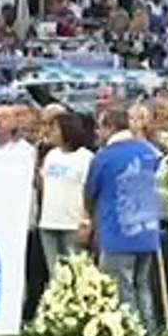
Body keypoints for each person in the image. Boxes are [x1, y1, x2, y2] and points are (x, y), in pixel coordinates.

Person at [84, 106, 164, 336]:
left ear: (110, 127)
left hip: (117, 230)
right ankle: (149, 330)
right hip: (148, 228)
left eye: (100, 126)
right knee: (142, 283)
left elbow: (90, 192)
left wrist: (91, 218)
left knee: (121, 284)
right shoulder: (148, 151)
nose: (98, 132)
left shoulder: (104, 157)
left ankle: (131, 331)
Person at [38, 113, 94, 272]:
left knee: (76, 271)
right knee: (54, 273)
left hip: (73, 224)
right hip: (49, 222)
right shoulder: (51, 155)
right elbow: (43, 184)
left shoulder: (86, 157)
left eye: (54, 128)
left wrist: (86, 222)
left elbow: (87, 191)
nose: (50, 132)